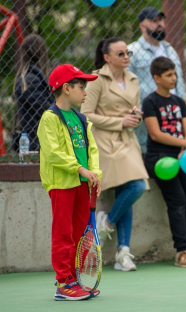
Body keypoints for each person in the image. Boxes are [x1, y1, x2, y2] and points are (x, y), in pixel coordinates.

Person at [81, 38, 148, 271]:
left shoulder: (133, 78)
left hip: (127, 140)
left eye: (127, 52)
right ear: (107, 57)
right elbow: (86, 114)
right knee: (136, 186)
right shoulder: (96, 79)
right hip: (105, 142)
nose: (126, 56)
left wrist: (135, 115)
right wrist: (120, 120)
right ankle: (109, 227)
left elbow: (135, 108)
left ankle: (122, 251)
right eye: (120, 53)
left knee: (130, 186)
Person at [37, 64, 102, 300]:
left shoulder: (81, 119)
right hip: (62, 184)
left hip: (82, 185)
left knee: (79, 233)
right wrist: (80, 169)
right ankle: (64, 283)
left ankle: (75, 279)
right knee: (63, 233)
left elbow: (91, 149)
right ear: (66, 88)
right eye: (81, 87)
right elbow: (53, 152)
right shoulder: (49, 118)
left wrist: (95, 175)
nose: (85, 93)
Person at [142, 56, 186, 268]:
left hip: (184, 158)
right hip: (160, 158)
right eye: (169, 75)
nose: (174, 78)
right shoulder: (150, 102)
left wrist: (183, 147)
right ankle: (181, 250)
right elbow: (155, 134)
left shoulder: (179, 102)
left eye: (174, 74)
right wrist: (182, 144)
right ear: (156, 78)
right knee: (177, 200)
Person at [127, 7, 185, 153]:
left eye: (161, 20)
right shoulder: (131, 51)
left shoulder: (169, 49)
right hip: (148, 117)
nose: (159, 24)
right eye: (153, 21)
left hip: (174, 116)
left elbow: (180, 83)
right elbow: (126, 86)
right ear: (142, 26)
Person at [13, 34, 54, 151]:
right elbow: (47, 111)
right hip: (36, 143)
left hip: (34, 141)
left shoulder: (29, 78)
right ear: (42, 53)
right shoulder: (31, 80)